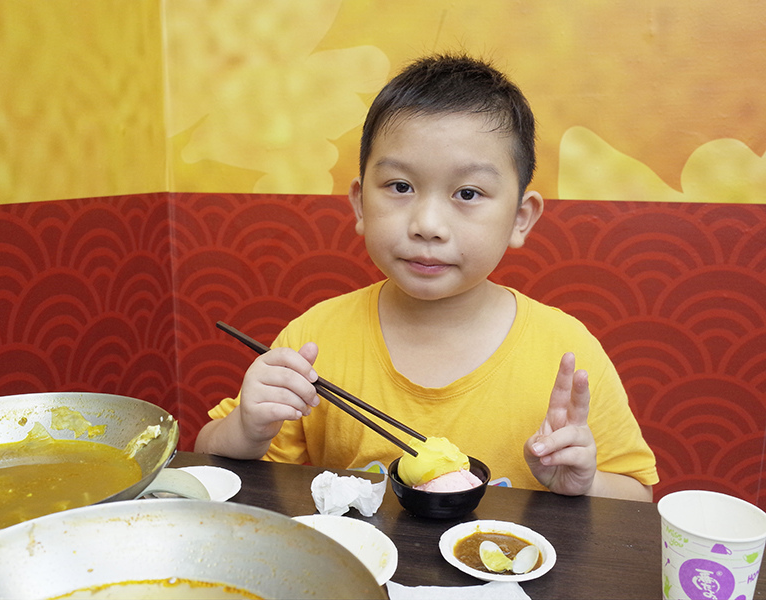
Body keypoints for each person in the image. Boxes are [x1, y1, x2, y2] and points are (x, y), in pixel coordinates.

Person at [195, 53, 658, 501]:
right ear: (359, 203)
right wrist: (246, 430)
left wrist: (583, 484)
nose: (428, 225)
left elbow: (638, 493)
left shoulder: (566, 353)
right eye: (400, 187)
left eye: (468, 193)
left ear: (521, 217)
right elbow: (206, 455)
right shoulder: (314, 337)